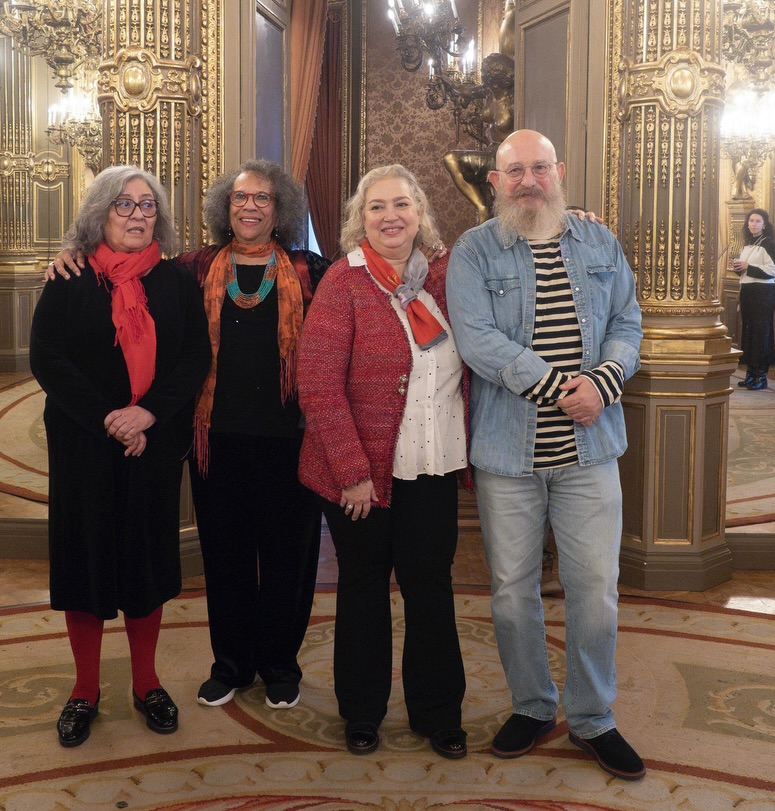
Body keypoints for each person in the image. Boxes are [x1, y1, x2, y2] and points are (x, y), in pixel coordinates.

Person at [48, 160, 330, 713]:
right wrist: (67, 252)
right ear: (224, 208)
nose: (250, 207)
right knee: (223, 558)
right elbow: (127, 270)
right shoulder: (194, 268)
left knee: (287, 560)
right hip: (214, 441)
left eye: (263, 199)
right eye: (240, 198)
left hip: (289, 441)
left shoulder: (311, 269)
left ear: (281, 209)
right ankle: (229, 665)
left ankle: (279, 666)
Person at [446, 129, 645, 781]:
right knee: (511, 593)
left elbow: (627, 322)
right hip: (510, 454)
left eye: (539, 168)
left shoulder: (598, 240)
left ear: (559, 171)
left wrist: (605, 383)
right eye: (515, 171)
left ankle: (593, 717)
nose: (529, 181)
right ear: (496, 181)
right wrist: (565, 387)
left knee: (595, 590)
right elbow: (477, 341)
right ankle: (533, 705)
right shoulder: (474, 252)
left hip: (591, 451)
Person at [29, 165, 211, 748]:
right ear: (99, 215)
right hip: (84, 444)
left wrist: (146, 414)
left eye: (147, 206)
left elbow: (192, 360)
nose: (137, 215)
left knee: (146, 562)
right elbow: (47, 358)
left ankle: (146, 682)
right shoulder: (70, 276)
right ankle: (84, 690)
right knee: (84, 561)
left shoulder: (176, 280)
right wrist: (110, 417)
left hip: (151, 447)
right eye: (124, 205)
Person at [296, 164, 470, 761]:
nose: (390, 216)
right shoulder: (343, 282)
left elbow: (514, 251)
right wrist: (352, 471)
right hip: (360, 477)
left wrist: (575, 217)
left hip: (434, 463)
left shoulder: (447, 277)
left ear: (420, 212)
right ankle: (362, 712)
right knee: (364, 590)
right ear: (359, 219)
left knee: (431, 589)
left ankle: (438, 712)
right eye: (376, 207)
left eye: (401, 204)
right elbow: (317, 382)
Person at [730, 208, 775, 391]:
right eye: (751, 220)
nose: (753, 224)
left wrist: (747, 266)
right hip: (748, 292)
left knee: (761, 334)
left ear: (764, 225)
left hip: (763, 293)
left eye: (757, 221)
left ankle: (761, 375)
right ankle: (751, 373)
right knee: (750, 334)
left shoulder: (768, 244)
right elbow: (746, 274)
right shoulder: (748, 244)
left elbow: (773, 270)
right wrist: (739, 268)